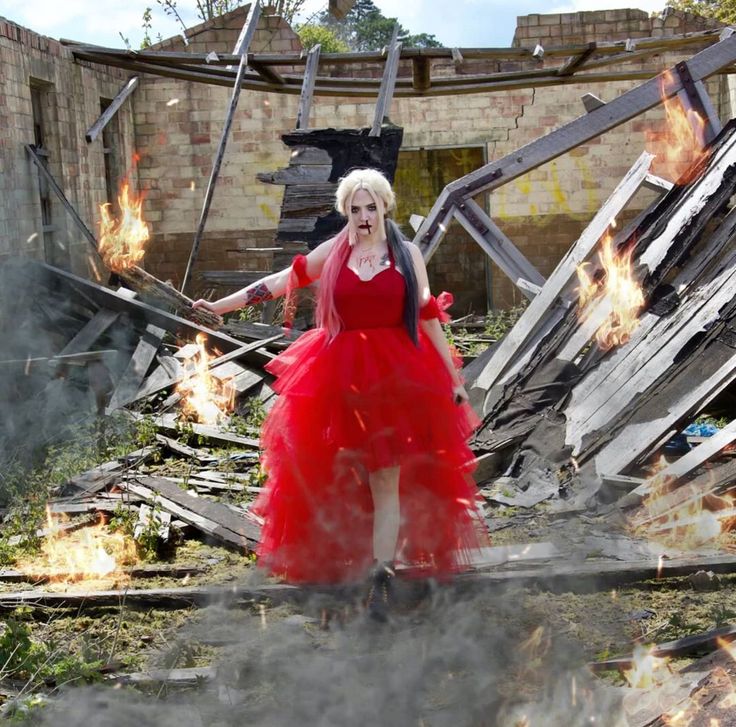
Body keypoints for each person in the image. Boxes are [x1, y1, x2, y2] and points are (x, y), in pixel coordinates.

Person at [193, 168, 488, 621]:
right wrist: (221, 306)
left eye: (371, 207)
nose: (364, 216)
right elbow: (280, 282)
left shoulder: (406, 255)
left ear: (385, 207)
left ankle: (382, 575)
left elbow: (427, 314)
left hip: (397, 380)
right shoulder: (335, 252)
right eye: (355, 208)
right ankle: (342, 562)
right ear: (345, 211)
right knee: (337, 473)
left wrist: (452, 378)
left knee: (386, 478)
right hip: (340, 380)